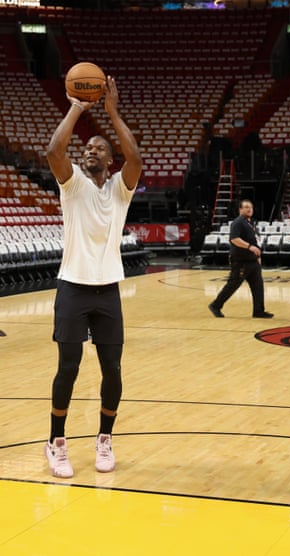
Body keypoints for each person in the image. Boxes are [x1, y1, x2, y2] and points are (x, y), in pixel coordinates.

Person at [45, 76, 142, 478]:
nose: (90, 149)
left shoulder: (120, 188)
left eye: (98, 147)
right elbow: (54, 150)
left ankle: (104, 438)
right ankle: (56, 441)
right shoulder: (74, 187)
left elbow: (135, 158)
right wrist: (78, 108)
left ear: (109, 160)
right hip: (72, 288)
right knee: (68, 368)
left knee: (113, 371)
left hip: (107, 292)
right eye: (87, 147)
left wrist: (112, 113)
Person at [208, 199, 273, 319]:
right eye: (246, 207)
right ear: (240, 209)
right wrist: (250, 247)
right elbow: (234, 239)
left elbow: (255, 241)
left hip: (253, 261)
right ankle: (216, 305)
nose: (249, 209)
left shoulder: (250, 223)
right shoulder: (237, 223)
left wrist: (258, 256)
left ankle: (258, 311)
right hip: (241, 261)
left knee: (258, 286)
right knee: (233, 284)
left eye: (251, 207)